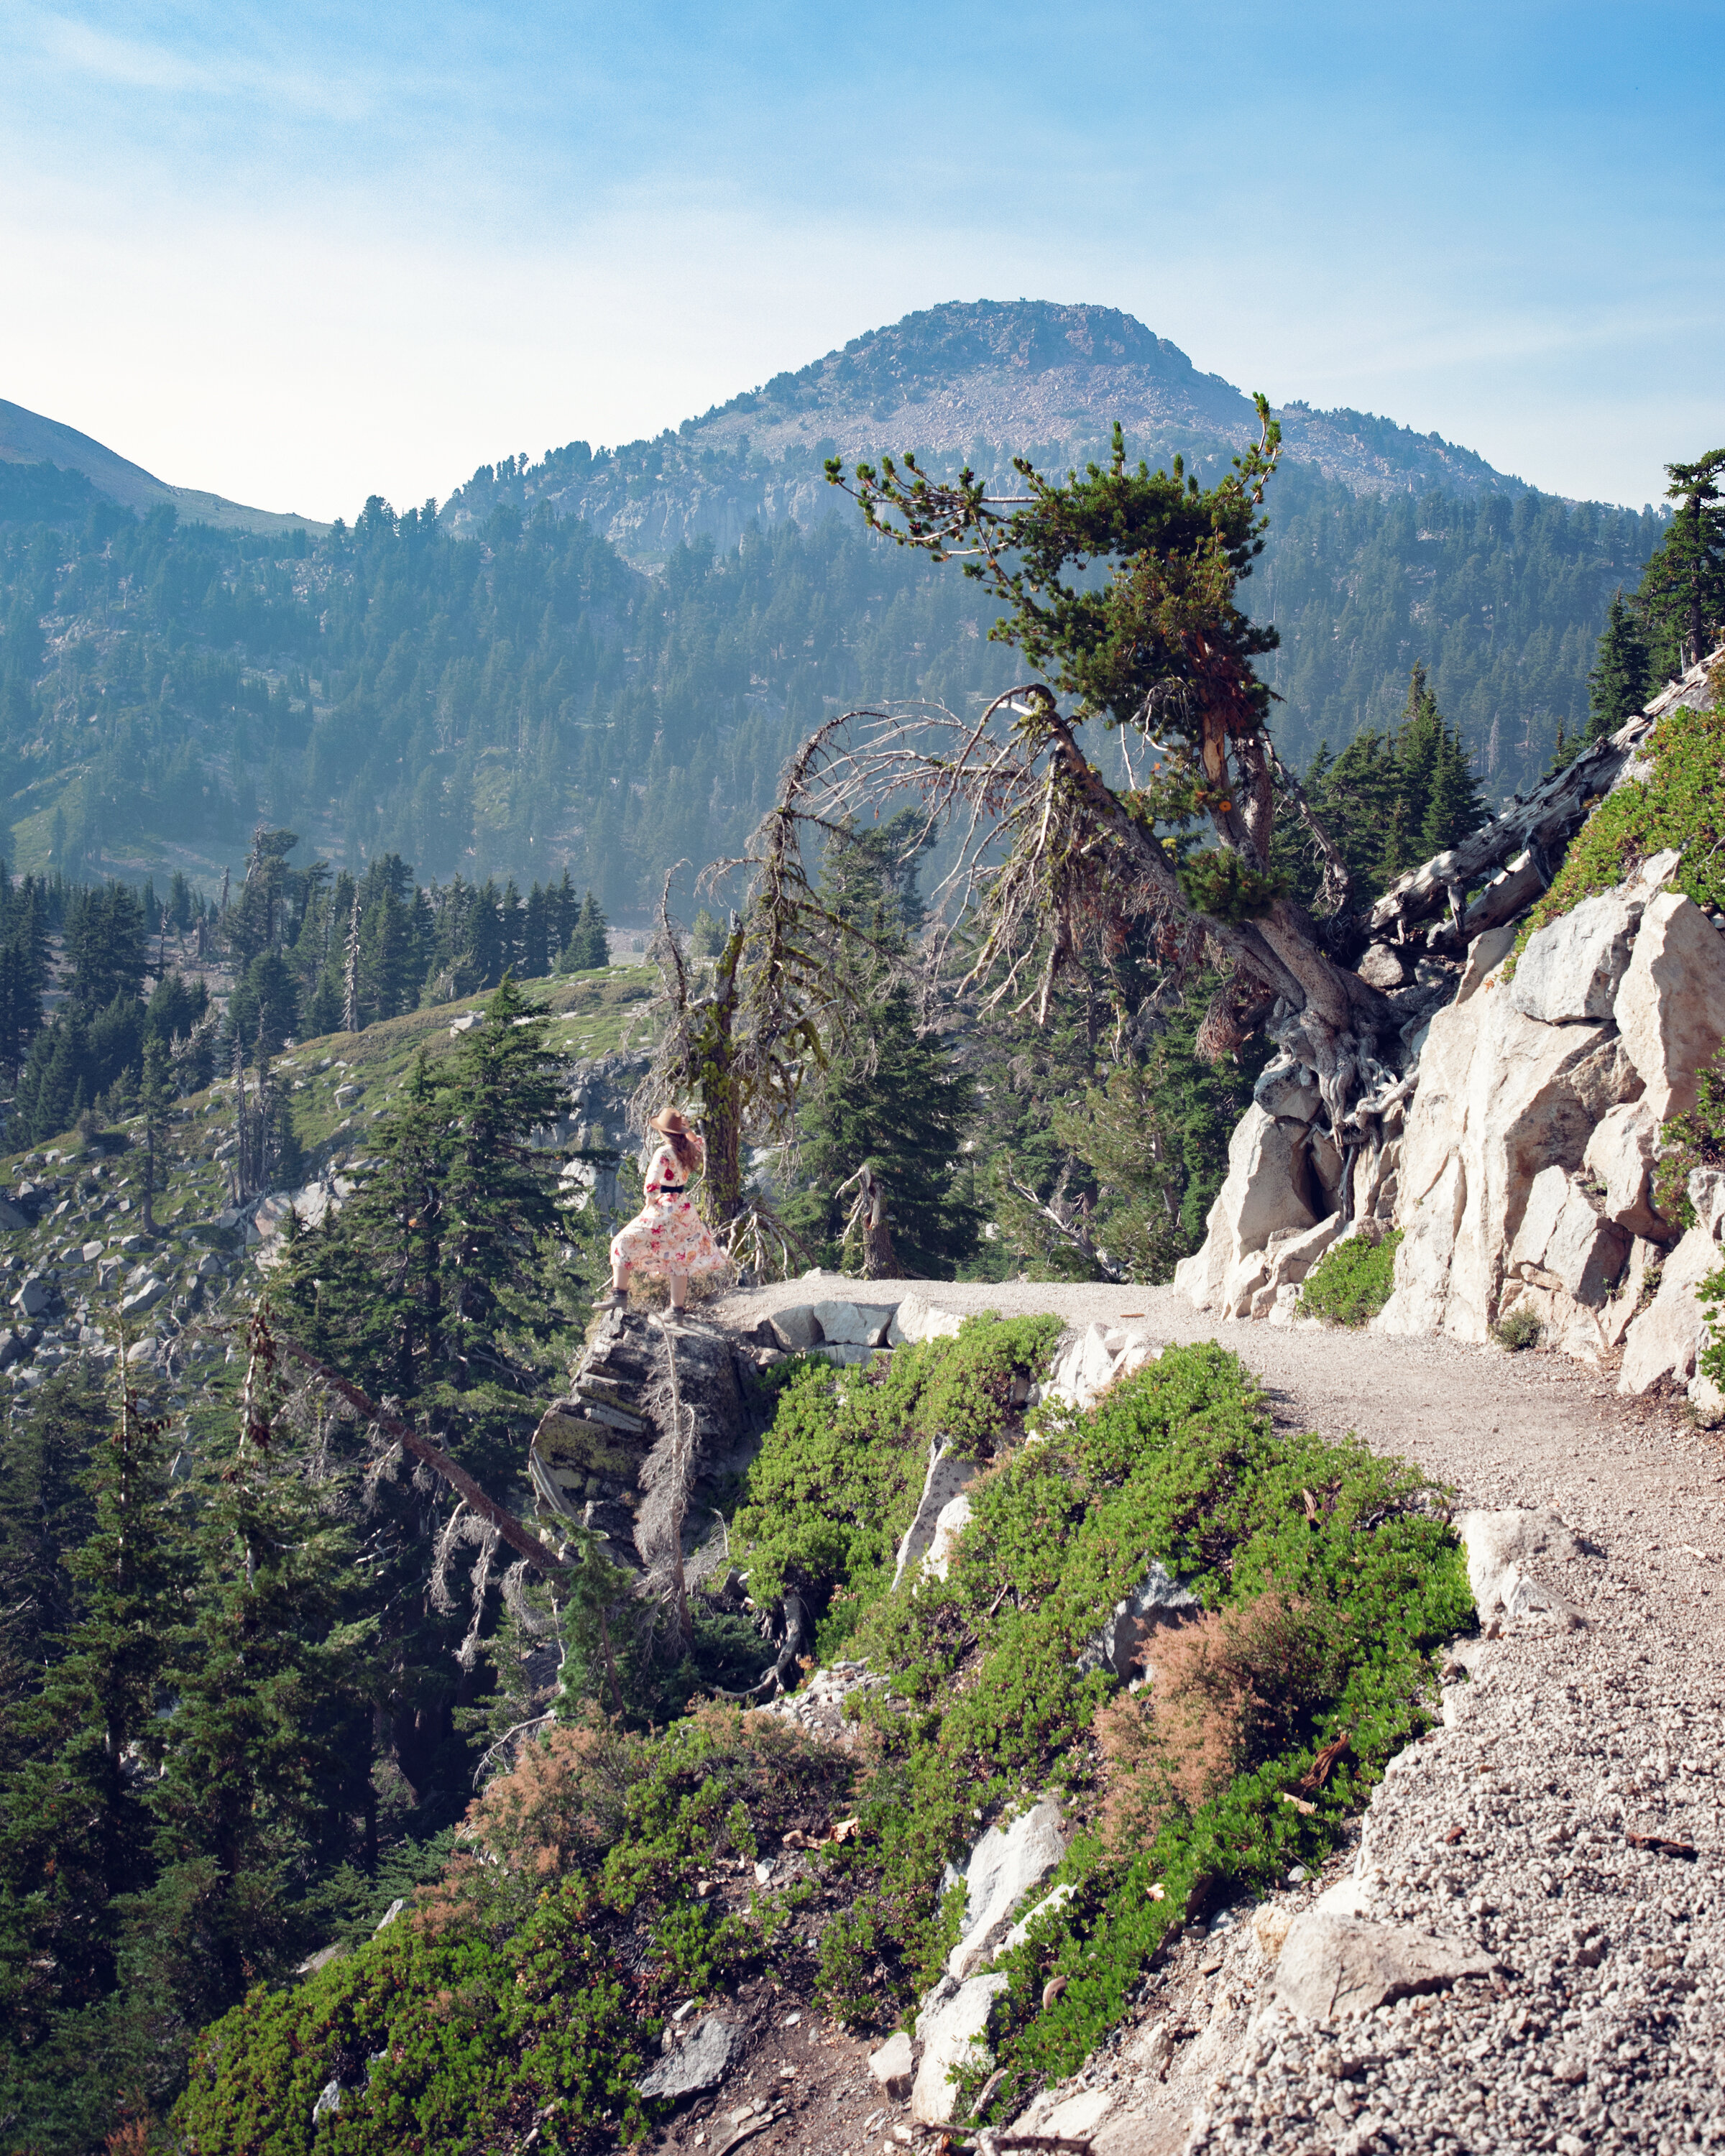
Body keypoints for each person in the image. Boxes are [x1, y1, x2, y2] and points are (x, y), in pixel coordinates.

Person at [602, 1108, 724, 1314]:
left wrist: (648, 1207)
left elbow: (651, 1186)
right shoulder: (688, 1150)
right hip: (684, 1208)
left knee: (621, 1242)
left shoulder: (664, 1152)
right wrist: (688, 1132)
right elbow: (701, 1143)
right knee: (679, 1257)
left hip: (665, 1205)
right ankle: (676, 1311)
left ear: (663, 1132)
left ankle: (619, 1296)